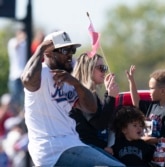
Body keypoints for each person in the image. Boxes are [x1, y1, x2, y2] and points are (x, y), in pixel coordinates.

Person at [20, 30, 125, 167]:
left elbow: (91, 108)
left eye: (72, 50)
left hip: (73, 144)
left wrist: (76, 83)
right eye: (65, 51)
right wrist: (40, 49)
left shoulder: (67, 79)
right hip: (51, 148)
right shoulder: (41, 73)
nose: (70, 55)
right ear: (49, 53)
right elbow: (27, 79)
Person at [126, 65, 165, 167]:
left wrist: (142, 139)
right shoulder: (153, 105)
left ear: (163, 91)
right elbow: (136, 103)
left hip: (164, 162)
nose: (149, 91)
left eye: (151, 88)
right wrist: (131, 81)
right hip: (149, 160)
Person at [70, 53, 119, 149]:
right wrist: (111, 97)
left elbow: (103, 117)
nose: (104, 71)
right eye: (101, 68)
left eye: (104, 68)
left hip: (90, 144)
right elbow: (100, 125)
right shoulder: (83, 93)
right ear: (89, 69)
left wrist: (108, 94)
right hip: (83, 146)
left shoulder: (89, 92)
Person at [7, 28, 27, 112]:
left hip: (24, 75)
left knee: (24, 100)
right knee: (15, 101)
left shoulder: (25, 43)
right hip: (15, 76)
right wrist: (21, 38)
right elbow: (16, 46)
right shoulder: (12, 41)